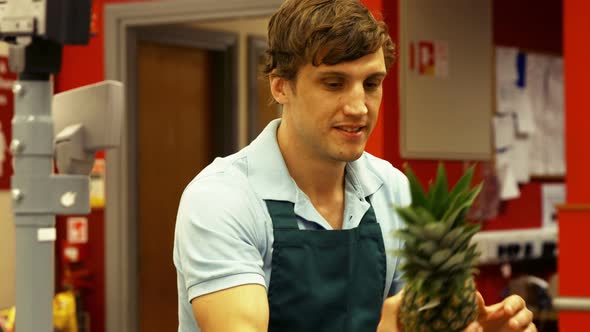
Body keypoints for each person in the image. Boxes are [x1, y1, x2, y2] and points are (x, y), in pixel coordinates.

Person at [173, 0, 536, 331]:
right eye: (334, 83)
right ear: (281, 86)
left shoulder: (393, 191)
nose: (359, 107)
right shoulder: (221, 200)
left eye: (372, 83)